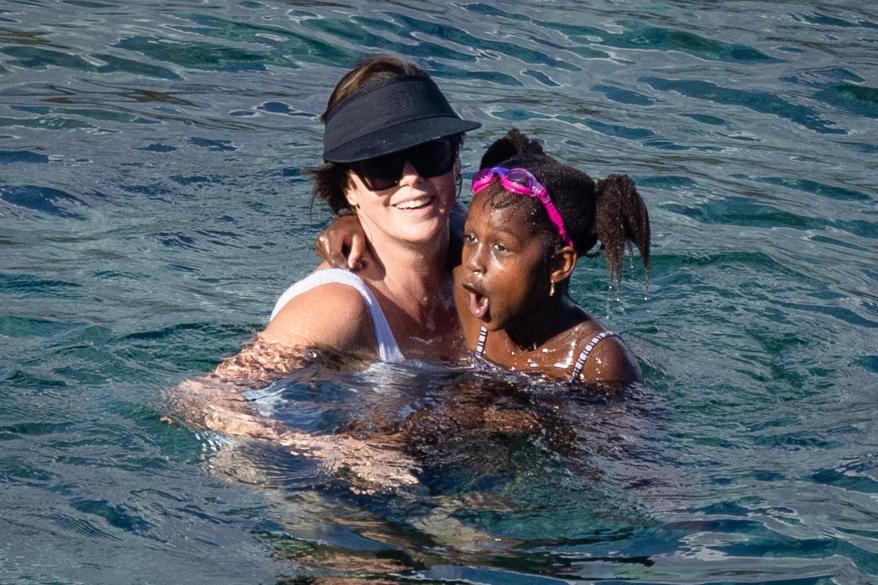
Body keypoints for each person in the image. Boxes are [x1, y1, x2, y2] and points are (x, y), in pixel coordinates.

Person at [321, 129, 651, 389]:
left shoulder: (598, 363)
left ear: (558, 265)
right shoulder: (472, 297)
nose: (475, 262)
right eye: (472, 239)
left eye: (500, 248)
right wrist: (355, 220)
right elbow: (428, 222)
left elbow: (632, 466)